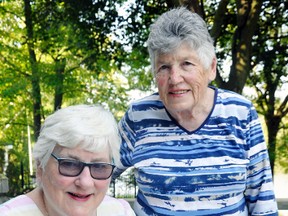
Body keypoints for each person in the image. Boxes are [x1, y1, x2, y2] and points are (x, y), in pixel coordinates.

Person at [113, 7, 278, 216]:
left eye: (186, 64)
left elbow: (262, 202)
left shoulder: (240, 114)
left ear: (211, 68)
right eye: (164, 66)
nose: (174, 78)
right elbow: (94, 174)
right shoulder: (139, 116)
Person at [0, 104, 135, 216]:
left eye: (99, 167)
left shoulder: (119, 212)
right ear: (41, 167)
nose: (85, 183)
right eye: (70, 164)